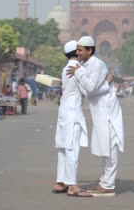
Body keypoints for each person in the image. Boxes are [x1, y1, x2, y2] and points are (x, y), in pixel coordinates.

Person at [67, 36, 124, 197]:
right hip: (99, 111)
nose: (77, 52)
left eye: (80, 50)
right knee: (104, 147)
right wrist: (106, 84)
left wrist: (78, 73)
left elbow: (90, 89)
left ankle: (108, 185)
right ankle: (104, 183)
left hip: (107, 111)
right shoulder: (85, 65)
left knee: (110, 147)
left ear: (89, 50)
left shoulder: (96, 64)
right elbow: (86, 89)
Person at [53, 40, 93, 197]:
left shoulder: (65, 69)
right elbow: (88, 89)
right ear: (77, 52)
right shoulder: (78, 69)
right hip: (73, 113)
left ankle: (60, 182)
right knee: (72, 148)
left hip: (64, 111)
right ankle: (72, 186)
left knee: (63, 148)